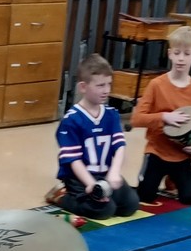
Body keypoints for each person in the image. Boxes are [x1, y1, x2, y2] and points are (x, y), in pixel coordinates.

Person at [45, 53, 140, 220]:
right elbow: (74, 160)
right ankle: (62, 196)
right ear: (83, 87)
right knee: (104, 210)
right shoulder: (72, 120)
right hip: (80, 178)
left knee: (130, 204)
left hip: (105, 173)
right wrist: (90, 184)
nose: (106, 91)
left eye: (109, 84)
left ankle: (103, 191)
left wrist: (114, 173)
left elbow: (119, 147)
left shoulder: (111, 115)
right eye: (100, 85)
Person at [132, 25, 191, 206]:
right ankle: (158, 178)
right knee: (145, 196)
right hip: (156, 152)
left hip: (182, 155)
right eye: (177, 53)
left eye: (186, 54)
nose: (180, 58)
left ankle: (172, 179)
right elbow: (136, 119)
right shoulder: (156, 85)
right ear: (169, 54)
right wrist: (163, 117)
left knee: (189, 198)